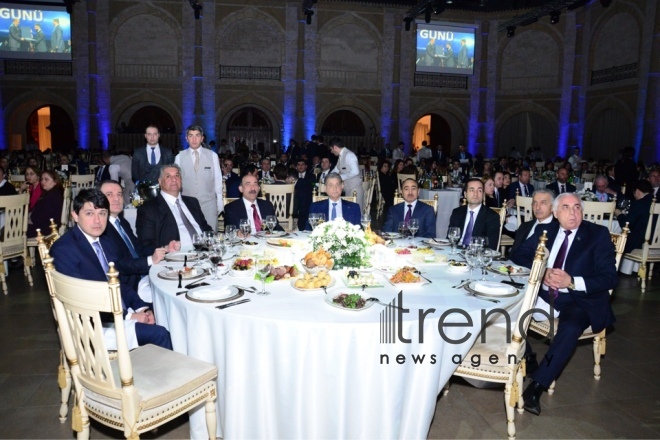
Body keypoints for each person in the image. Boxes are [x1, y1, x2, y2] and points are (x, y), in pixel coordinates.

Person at [511, 192, 617, 416]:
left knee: (569, 328)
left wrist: (572, 281)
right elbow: (517, 256)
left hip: (578, 300)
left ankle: (536, 387)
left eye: (577, 207)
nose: (573, 213)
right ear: (556, 213)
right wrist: (542, 270)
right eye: (567, 208)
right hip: (544, 295)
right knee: (504, 307)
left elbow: (609, 277)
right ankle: (529, 357)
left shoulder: (597, 234)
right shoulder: (545, 230)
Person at [50, 189, 172, 351]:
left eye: (102, 213)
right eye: (89, 213)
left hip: (116, 311)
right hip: (95, 324)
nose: (97, 220)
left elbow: (118, 283)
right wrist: (129, 316)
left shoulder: (105, 241)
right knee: (160, 334)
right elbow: (83, 299)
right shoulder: (64, 249)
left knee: (167, 312)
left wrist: (142, 308)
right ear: (75, 215)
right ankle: (164, 376)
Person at [99, 180, 179, 296]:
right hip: (128, 288)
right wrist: (151, 260)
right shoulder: (101, 229)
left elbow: (138, 248)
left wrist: (164, 249)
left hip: (143, 277)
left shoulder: (121, 222)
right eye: (109, 195)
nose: (116, 199)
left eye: (119, 194)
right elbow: (118, 265)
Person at [136, 164, 212, 253]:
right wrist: (166, 249)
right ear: (160, 181)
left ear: (181, 180)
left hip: (205, 252)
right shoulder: (149, 209)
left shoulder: (192, 202)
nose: (174, 179)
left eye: (177, 175)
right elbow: (145, 245)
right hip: (177, 257)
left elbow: (205, 228)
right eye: (168, 176)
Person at [448, 178, 500, 250]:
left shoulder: (492, 216)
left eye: (479, 190)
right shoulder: (457, 212)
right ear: (465, 194)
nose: (475, 194)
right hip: (456, 252)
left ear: (483, 194)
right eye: (472, 190)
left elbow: (491, 246)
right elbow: (450, 238)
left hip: (477, 255)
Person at [509, 189, 558, 255]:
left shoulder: (558, 230)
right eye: (535, 203)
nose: (537, 207)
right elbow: (513, 254)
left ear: (552, 207)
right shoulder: (524, 226)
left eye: (543, 203)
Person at [616, 180, 655, 253]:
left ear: (637, 191)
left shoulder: (639, 204)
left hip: (638, 245)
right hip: (655, 245)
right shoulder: (657, 203)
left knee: (610, 241)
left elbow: (626, 225)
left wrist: (619, 214)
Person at [329, 137, 364, 212]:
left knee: (356, 212)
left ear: (335, 147)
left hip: (355, 189)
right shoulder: (341, 156)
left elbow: (355, 172)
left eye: (331, 149)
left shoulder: (349, 155)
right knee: (349, 212)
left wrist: (340, 177)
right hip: (348, 188)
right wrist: (327, 177)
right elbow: (337, 169)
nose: (331, 151)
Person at [27, 170, 63, 238]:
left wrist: (29, 219)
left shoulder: (52, 196)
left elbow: (43, 217)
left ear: (55, 182)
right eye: (42, 179)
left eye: (46, 179)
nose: (43, 182)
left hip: (47, 229)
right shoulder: (53, 193)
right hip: (49, 226)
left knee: (13, 229)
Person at [294, 159, 315, 231]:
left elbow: (310, 187)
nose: (300, 166)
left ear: (306, 166)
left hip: (306, 202)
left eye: (302, 164)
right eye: (298, 165)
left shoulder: (311, 176)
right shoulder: (293, 175)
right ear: (296, 167)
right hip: (295, 202)